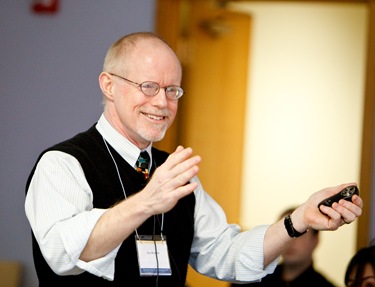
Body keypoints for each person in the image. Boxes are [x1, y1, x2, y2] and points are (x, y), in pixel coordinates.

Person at [24, 32, 363, 286]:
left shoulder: (175, 174)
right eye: (148, 87)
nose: (162, 103)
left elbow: (227, 253)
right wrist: (146, 202)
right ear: (109, 86)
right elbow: (62, 254)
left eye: (173, 90)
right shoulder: (63, 164)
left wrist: (297, 220)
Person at [231, 207, 336, 287]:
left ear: (315, 240)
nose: (290, 241)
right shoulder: (252, 279)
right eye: (285, 234)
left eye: (299, 234)